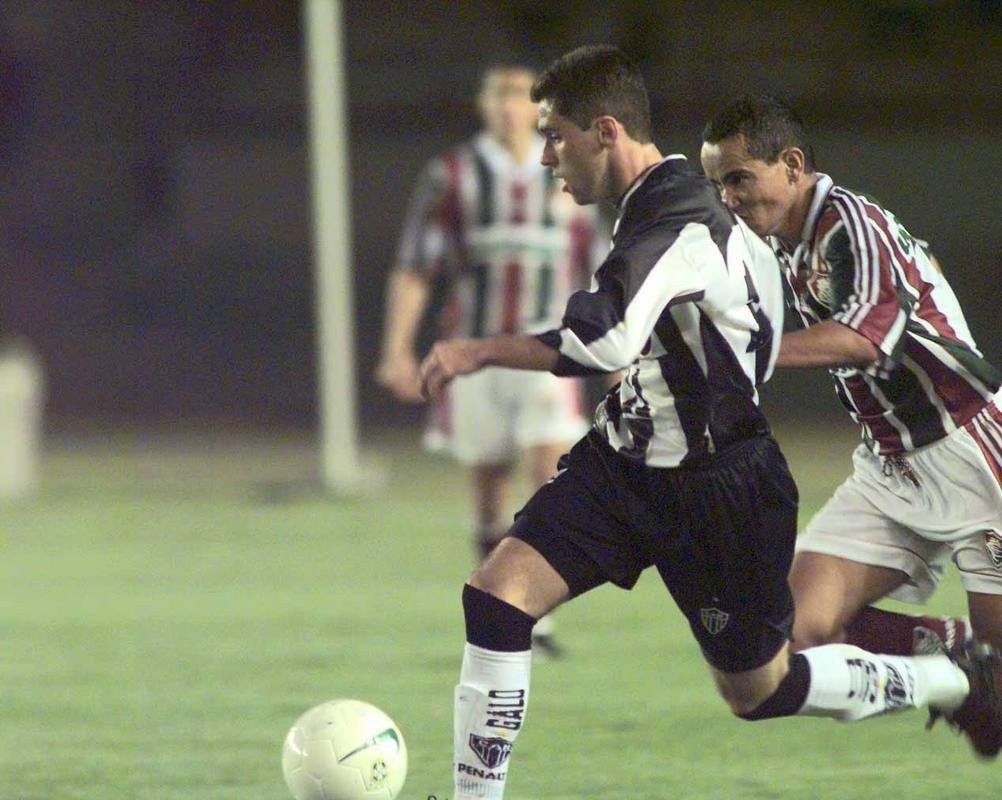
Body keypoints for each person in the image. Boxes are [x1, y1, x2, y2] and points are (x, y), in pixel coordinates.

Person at [419, 47, 1001, 800]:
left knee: (768, 688)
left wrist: (476, 351)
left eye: (555, 136)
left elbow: (621, 339)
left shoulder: (831, 226)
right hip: (724, 463)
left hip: (952, 451)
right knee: (498, 595)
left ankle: (957, 675)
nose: (545, 157)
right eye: (720, 178)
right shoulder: (749, 232)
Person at [701, 93, 1002, 732]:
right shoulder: (782, 242)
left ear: (791, 163)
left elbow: (863, 337)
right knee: (795, 635)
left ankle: (980, 669)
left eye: (738, 178)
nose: (727, 197)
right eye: (717, 184)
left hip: (972, 444)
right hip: (891, 466)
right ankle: (949, 656)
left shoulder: (848, 222)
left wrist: (746, 352)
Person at [377, 63, 606, 656]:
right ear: (483, 104)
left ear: (538, 107)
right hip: (476, 357)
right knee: (487, 486)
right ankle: (500, 601)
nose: (508, 107)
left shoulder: (569, 168)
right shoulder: (453, 174)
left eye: (518, 96)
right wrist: (397, 348)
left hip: (551, 353)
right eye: (498, 95)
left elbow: (605, 268)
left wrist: (618, 348)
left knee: (551, 475)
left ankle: (536, 616)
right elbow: (416, 265)